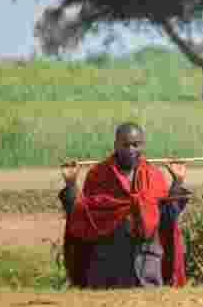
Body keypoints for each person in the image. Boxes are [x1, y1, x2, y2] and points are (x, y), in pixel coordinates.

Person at [58, 122, 190, 289]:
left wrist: (177, 183)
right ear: (115, 145)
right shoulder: (98, 175)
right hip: (106, 271)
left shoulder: (153, 175)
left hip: (146, 270)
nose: (130, 150)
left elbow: (166, 218)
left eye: (136, 145)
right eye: (125, 145)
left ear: (142, 146)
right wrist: (71, 185)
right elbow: (82, 218)